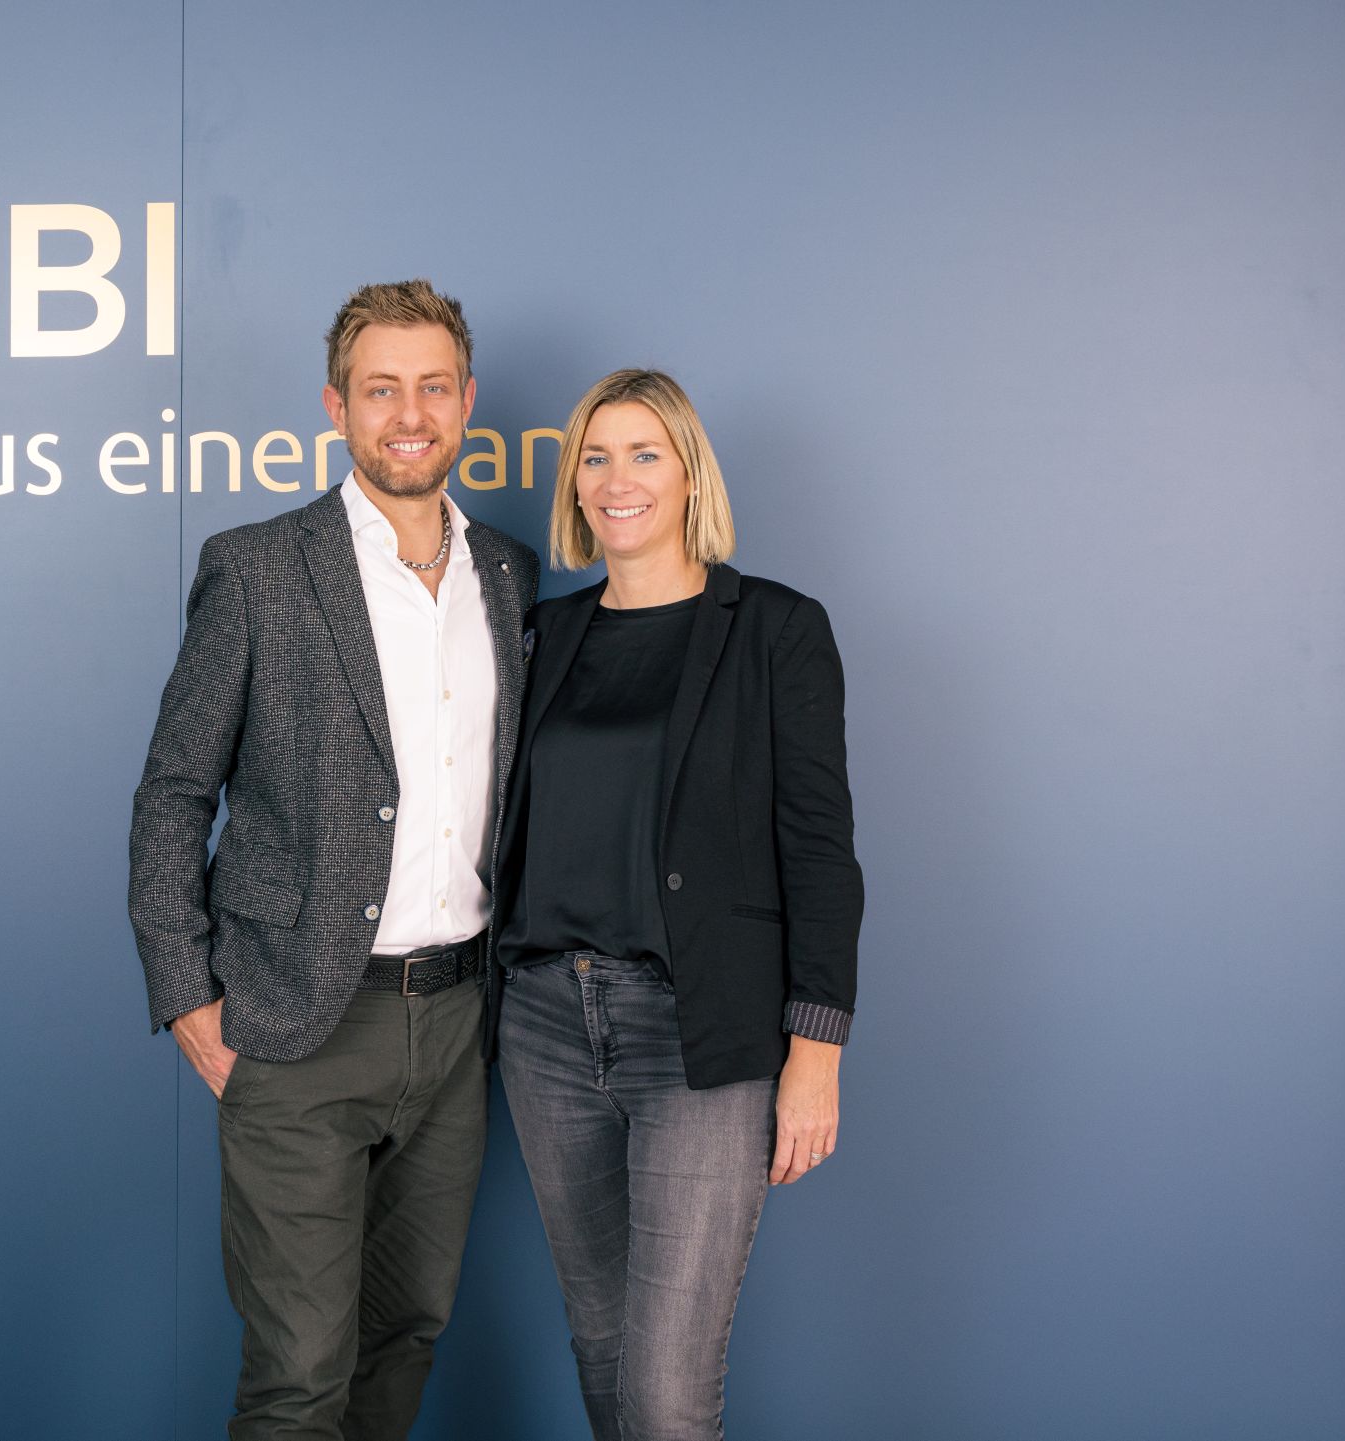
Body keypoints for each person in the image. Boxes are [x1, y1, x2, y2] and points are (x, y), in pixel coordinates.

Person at [129, 280, 540, 1440]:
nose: (409, 414)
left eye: (432, 387)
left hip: (456, 1024)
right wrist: (187, 997)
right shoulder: (259, 568)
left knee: (406, 1333)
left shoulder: (507, 574)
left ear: (467, 401)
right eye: (380, 389)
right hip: (299, 1022)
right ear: (336, 406)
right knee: (300, 1372)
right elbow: (173, 792)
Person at [490, 368, 864, 1440]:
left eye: (645, 453)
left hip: (698, 1032)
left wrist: (816, 1053)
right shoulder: (544, 635)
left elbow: (821, 851)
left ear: (691, 474)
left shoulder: (775, 629)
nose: (619, 479)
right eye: (596, 457)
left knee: (664, 1392)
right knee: (603, 1351)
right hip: (546, 1028)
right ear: (575, 484)